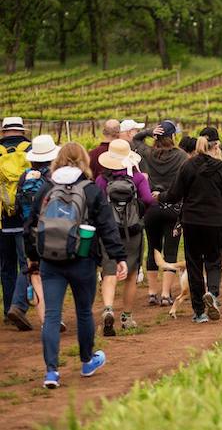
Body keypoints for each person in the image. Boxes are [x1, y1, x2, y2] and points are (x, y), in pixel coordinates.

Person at [24, 142, 126, 389]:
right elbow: (106, 226)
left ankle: (51, 372)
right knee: (83, 312)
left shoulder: (47, 188)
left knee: (51, 315)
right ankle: (87, 361)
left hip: (50, 261)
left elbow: (31, 226)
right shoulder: (90, 190)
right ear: (83, 160)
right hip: (83, 260)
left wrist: (33, 258)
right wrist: (118, 256)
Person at [157, 128, 222, 323]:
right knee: (214, 261)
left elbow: (175, 194)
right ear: (216, 146)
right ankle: (213, 294)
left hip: (191, 222)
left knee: (194, 265)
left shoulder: (188, 166)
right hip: (215, 222)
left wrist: (160, 196)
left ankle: (200, 312)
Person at [96, 139, 155, 335]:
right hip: (133, 232)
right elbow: (147, 200)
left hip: (109, 232)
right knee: (131, 274)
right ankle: (127, 317)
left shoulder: (101, 180)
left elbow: (96, 204)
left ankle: (108, 309)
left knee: (109, 271)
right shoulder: (138, 178)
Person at [8, 134, 61, 331]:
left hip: (28, 228)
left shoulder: (25, 176)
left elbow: (17, 204)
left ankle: (17, 305)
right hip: (51, 228)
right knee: (54, 272)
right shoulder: (53, 177)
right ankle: (51, 316)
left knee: (30, 268)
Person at [133, 121, 188, 306]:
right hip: (173, 207)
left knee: (153, 249)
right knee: (170, 252)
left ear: (156, 137)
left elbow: (135, 139)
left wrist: (148, 132)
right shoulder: (181, 156)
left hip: (152, 207)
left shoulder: (147, 154)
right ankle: (166, 294)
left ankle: (151, 293)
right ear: (172, 137)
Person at [1, 116, 32, 330]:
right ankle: (18, 307)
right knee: (27, 265)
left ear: (3, 131)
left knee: (6, 266)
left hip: (2, 219)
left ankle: (7, 312)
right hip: (25, 219)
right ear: (22, 130)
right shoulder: (31, 150)